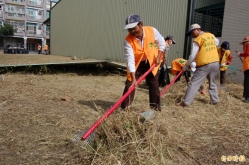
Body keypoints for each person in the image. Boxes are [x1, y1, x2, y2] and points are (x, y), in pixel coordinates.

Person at [121, 14, 165, 111]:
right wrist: (133, 78)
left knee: (154, 84)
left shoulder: (152, 31)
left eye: (134, 28)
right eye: (129, 29)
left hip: (152, 61)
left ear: (141, 24)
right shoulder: (127, 41)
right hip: (137, 64)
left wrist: (158, 56)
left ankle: (155, 109)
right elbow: (130, 59)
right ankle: (125, 109)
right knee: (130, 84)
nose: (132, 32)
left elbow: (162, 42)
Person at [179, 23, 220, 107]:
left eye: (192, 32)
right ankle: (215, 101)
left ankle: (186, 102)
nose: (192, 35)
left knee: (194, 83)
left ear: (197, 29)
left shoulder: (198, 39)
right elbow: (217, 42)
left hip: (204, 64)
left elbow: (193, 55)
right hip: (215, 62)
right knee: (212, 82)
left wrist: (186, 65)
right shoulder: (211, 35)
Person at [235, 36, 249, 103]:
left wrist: (240, 54)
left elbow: (247, 53)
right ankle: (246, 95)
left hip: (248, 66)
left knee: (247, 81)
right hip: (247, 65)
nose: (244, 44)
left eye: (245, 42)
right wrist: (241, 54)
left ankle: (247, 97)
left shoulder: (248, 45)